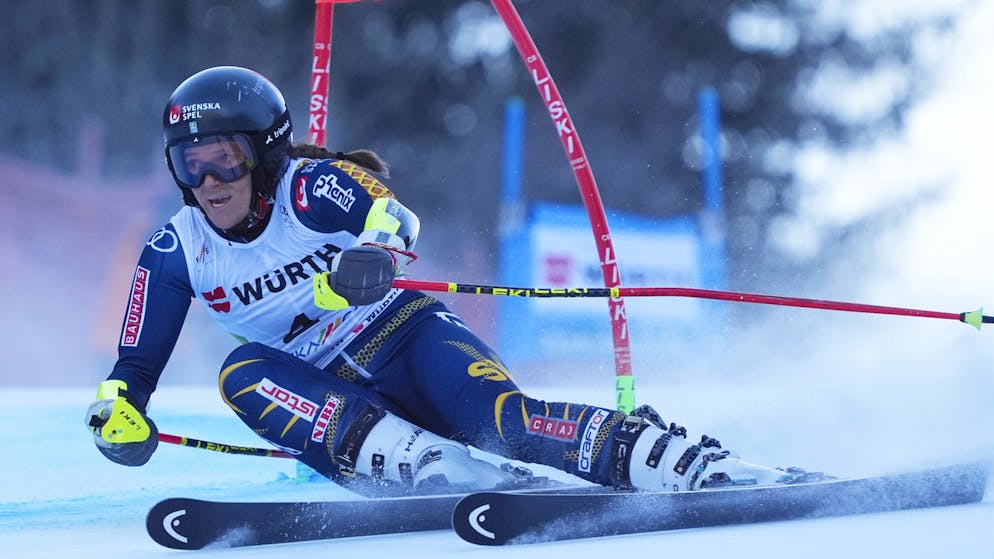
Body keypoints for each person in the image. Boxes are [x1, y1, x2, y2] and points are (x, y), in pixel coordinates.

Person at [86, 66, 808, 496]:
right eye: (189, 164)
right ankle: (430, 466)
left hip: (404, 338)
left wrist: (376, 252)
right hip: (328, 401)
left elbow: (391, 216)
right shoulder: (176, 248)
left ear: (266, 155)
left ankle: (684, 464)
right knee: (241, 372)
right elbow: (133, 369)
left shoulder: (308, 188)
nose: (208, 182)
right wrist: (118, 413)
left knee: (507, 424)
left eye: (225, 159)